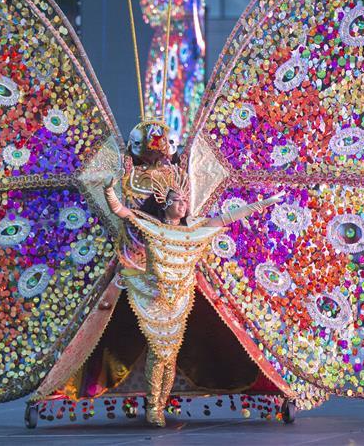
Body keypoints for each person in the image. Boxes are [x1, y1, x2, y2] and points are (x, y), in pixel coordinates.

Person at [104, 166, 282, 426]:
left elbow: (227, 218)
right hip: (153, 296)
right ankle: (154, 406)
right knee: (158, 351)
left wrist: (263, 203)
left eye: (186, 201)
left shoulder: (193, 229)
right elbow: (121, 211)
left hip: (180, 299)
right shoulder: (151, 225)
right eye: (179, 200)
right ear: (165, 203)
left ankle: (160, 404)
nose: (184, 205)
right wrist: (108, 190)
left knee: (170, 354)